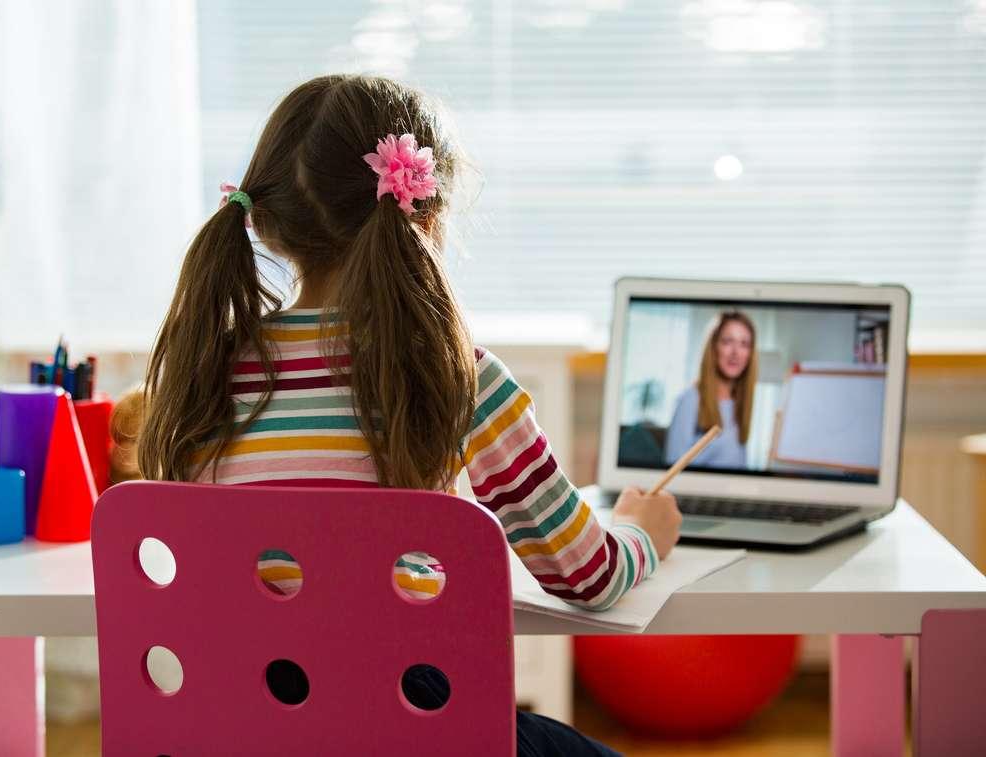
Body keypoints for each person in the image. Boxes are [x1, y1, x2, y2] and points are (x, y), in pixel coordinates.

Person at [132, 74, 681, 756]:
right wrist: (640, 531)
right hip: (413, 728)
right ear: (426, 211)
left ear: (264, 218)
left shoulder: (203, 371)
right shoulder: (459, 375)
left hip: (238, 726)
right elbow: (586, 575)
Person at [665, 312, 758, 469]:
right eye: (728, 341)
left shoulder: (740, 404)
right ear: (714, 347)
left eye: (744, 344)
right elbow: (672, 467)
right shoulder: (690, 400)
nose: (735, 352)